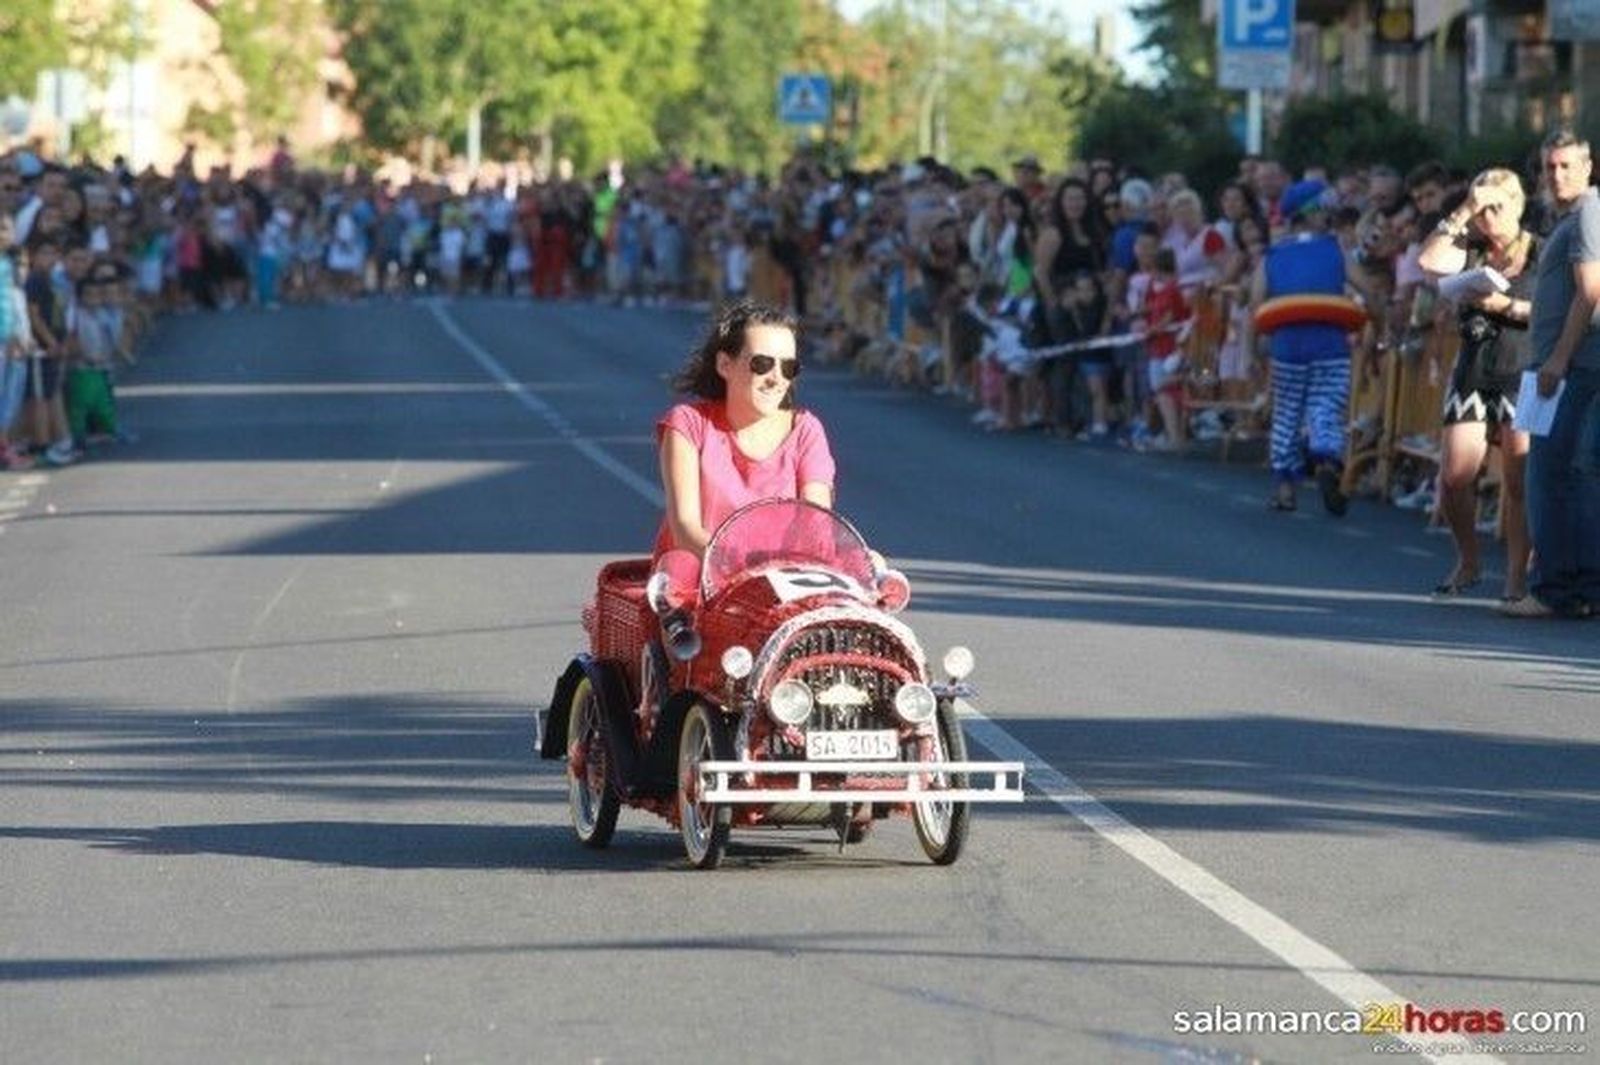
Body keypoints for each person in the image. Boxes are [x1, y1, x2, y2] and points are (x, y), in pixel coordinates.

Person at [1417, 169, 1539, 602]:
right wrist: (1466, 208)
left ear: (1518, 205)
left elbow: (1554, 308)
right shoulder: (1469, 248)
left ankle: (1516, 575)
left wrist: (1506, 305)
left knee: (1519, 478)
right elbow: (1429, 262)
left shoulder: (1539, 248)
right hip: (1474, 367)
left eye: (1496, 207)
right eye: (1482, 208)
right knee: (1454, 475)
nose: (1488, 217)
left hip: (1521, 368)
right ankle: (1468, 560)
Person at [656, 299, 834, 559]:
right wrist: (740, 565)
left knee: (871, 564)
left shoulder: (806, 430)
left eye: (788, 368)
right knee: (678, 567)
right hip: (704, 581)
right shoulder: (688, 424)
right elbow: (685, 528)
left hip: (784, 580)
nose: (776, 378)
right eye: (762, 364)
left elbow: (816, 522)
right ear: (724, 365)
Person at [1513, 129, 1600, 619]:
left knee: (1551, 476)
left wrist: (1557, 360)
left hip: (1571, 368)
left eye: (1567, 165)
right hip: (1567, 365)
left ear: (1588, 167)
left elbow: (1591, 291)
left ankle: (1556, 588)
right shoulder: (1574, 215)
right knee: (1573, 476)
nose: (1557, 174)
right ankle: (1579, 586)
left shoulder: (1589, 211)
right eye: (1550, 166)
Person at [1247, 179, 1351, 514]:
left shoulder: (1273, 256)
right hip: (1330, 344)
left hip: (1288, 346)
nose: (1329, 214)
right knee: (1326, 405)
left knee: (1288, 413)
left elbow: (1255, 304)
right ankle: (1325, 457)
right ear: (1310, 214)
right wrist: (1378, 321)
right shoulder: (1336, 249)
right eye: (1324, 208)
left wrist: (1252, 350)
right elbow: (1368, 289)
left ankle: (1285, 489)